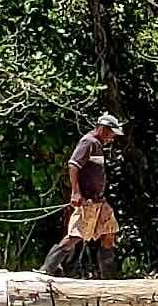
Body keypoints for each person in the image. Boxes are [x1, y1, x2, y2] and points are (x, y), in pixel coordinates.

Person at [47, 112, 124, 276]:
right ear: (103, 129)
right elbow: (73, 165)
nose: (112, 138)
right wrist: (76, 192)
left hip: (99, 201)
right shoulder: (88, 142)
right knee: (75, 235)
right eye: (111, 133)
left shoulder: (97, 144)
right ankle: (46, 270)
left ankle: (110, 278)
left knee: (109, 232)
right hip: (88, 201)